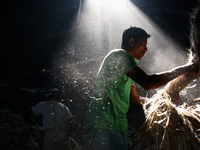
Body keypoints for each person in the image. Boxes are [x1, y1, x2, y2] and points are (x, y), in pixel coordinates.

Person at [85, 26, 197, 150]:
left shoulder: (126, 70)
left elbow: (136, 99)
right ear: (132, 42)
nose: (146, 49)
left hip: (117, 127)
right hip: (105, 126)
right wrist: (185, 69)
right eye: (143, 43)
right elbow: (148, 83)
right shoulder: (119, 56)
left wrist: (163, 100)